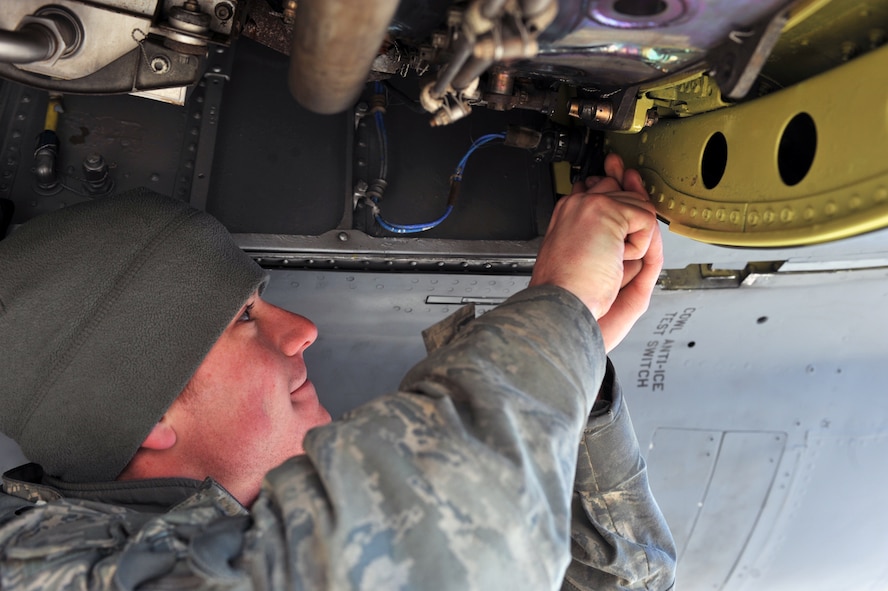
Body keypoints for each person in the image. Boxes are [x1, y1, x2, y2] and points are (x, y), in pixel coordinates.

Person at [0, 153, 675, 590]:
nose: (303, 330)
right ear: (144, 415)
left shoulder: (205, 543)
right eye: (242, 316)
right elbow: (436, 560)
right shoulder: (39, 569)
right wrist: (555, 317)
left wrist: (570, 364)